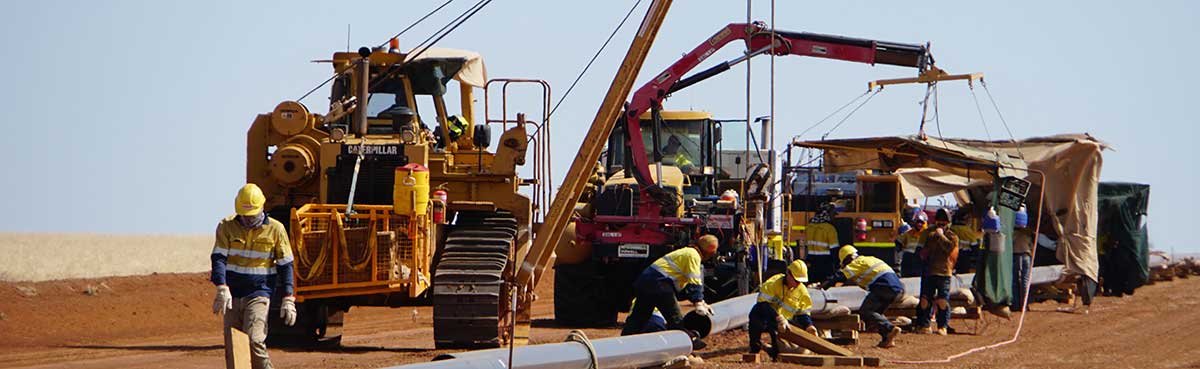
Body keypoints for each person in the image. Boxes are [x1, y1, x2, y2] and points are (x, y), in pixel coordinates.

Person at [211, 184, 297, 369]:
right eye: (244, 215)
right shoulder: (226, 227)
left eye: (251, 215)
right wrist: (221, 287)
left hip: (259, 293)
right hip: (232, 295)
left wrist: (288, 298)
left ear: (262, 208)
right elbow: (218, 258)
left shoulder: (276, 229)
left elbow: (286, 265)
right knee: (234, 345)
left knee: (254, 340)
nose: (248, 220)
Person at [622, 235, 719, 348]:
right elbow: (694, 281)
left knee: (639, 317)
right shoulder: (693, 255)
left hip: (646, 282)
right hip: (659, 284)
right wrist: (698, 302)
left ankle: (623, 344)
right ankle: (687, 345)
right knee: (675, 319)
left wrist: (701, 301)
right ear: (709, 250)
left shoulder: (687, 252)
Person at [821, 246, 904, 348]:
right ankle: (887, 338)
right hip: (896, 287)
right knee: (876, 314)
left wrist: (823, 286)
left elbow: (840, 276)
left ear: (848, 259)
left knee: (866, 311)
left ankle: (890, 328)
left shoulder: (856, 263)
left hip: (883, 286)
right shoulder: (869, 259)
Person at [749, 260, 815, 360]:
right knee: (755, 314)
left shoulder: (802, 292)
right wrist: (777, 317)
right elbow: (762, 304)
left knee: (779, 349)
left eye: (800, 282)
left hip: (785, 323)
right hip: (768, 316)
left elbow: (803, 313)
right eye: (796, 281)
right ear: (788, 274)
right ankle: (755, 348)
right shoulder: (773, 283)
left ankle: (774, 352)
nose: (797, 284)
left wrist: (809, 325)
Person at [913, 209, 960, 335]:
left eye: (943, 224)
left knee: (942, 301)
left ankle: (942, 326)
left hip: (944, 272)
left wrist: (941, 236)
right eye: (939, 223)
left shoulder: (952, 236)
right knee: (925, 300)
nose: (941, 226)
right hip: (929, 271)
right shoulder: (928, 233)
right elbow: (921, 249)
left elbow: (950, 249)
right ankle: (924, 324)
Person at [804, 203, 840, 282]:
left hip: (811, 261)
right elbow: (834, 250)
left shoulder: (809, 227)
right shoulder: (830, 229)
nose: (833, 217)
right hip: (825, 263)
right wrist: (837, 266)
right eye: (832, 214)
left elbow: (806, 247)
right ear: (826, 214)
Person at [1011, 206, 1033, 312]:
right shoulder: (1028, 233)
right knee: (1025, 281)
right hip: (1026, 256)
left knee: (1015, 281)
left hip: (1016, 255)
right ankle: (1025, 305)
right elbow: (1031, 245)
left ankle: (1016, 304)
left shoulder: (1013, 232)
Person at [896, 212, 929, 278]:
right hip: (908, 259)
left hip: (920, 259)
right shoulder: (909, 233)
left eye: (921, 222)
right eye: (918, 222)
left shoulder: (927, 234)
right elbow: (899, 241)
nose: (919, 224)